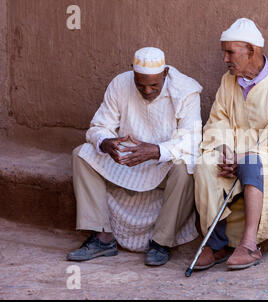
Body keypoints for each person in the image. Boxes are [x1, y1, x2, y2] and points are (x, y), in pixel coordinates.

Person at [194, 18, 268, 270]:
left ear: (252, 51)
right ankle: (215, 244)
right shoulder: (228, 81)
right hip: (237, 156)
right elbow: (218, 120)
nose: (225, 59)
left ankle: (249, 245)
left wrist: (243, 158)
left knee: (251, 161)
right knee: (206, 162)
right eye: (224, 52)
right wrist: (224, 151)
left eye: (230, 52)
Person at [67, 47, 202, 266]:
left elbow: (192, 140)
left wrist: (156, 151)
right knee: (82, 154)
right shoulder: (120, 84)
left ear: (165, 73)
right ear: (133, 73)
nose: (147, 91)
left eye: (154, 85)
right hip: (126, 162)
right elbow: (99, 126)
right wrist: (105, 142)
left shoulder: (186, 91)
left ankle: (161, 242)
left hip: (163, 164)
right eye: (141, 85)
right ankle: (103, 237)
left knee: (187, 166)